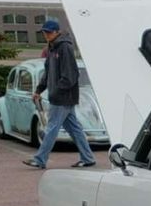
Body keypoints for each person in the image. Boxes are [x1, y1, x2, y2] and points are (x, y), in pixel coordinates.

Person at [23, 20, 96, 169]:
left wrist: (56, 91)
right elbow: (48, 73)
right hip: (63, 96)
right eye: (44, 32)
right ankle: (88, 158)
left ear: (56, 32)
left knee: (52, 128)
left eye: (49, 32)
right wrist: (38, 90)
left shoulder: (64, 48)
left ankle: (40, 159)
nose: (46, 35)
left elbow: (70, 75)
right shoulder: (51, 48)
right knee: (74, 128)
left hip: (62, 97)